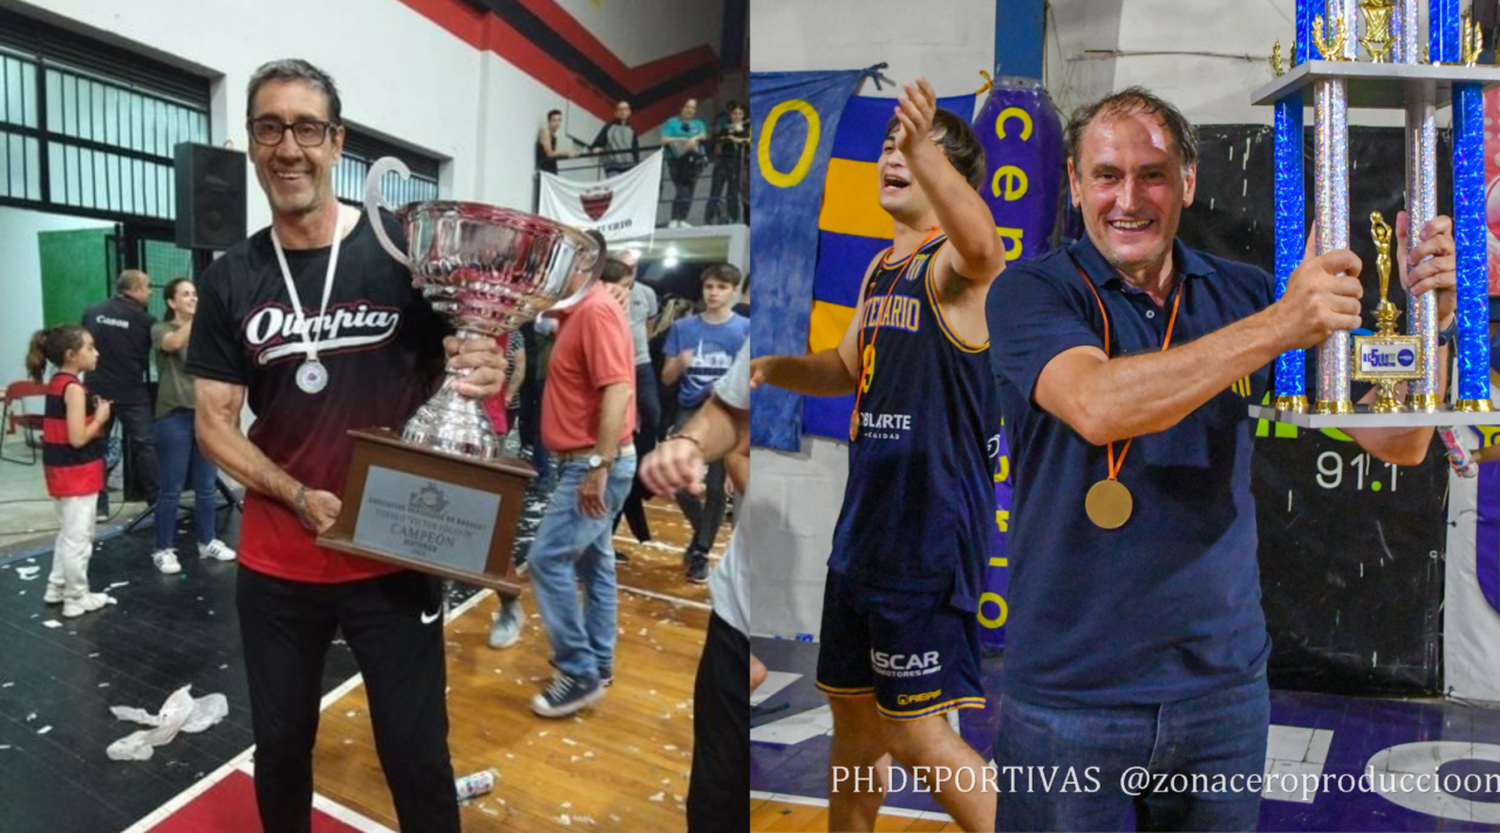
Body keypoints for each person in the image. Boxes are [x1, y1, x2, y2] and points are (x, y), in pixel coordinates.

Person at [985, 87, 1455, 832]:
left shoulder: (1241, 294)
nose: (1128, 198)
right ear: (1075, 186)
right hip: (1073, 698)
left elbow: (1398, 443)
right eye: (1106, 175)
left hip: (1220, 697)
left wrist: (1431, 319)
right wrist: (1278, 325)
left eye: (1153, 174)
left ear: (1190, 182)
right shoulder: (1031, 292)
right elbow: (1099, 404)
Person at [187, 58, 506, 833]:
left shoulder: (408, 250)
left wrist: (493, 362)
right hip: (278, 559)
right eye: (269, 127)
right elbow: (213, 422)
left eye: (304, 128)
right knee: (284, 745)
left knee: (417, 753)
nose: (286, 147)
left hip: (394, 552)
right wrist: (294, 493)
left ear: (336, 142)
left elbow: (478, 353)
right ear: (252, 143)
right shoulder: (233, 276)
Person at [750, 78, 1006, 832]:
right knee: (855, 727)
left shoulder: (956, 272)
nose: (891, 159)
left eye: (910, 151)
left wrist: (924, 145)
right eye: (888, 149)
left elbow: (984, 244)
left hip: (927, 535)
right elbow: (840, 365)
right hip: (863, 534)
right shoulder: (881, 270)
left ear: (944, 174)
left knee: (917, 733)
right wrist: (775, 368)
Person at [639, 340, 751, 833]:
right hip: (745, 606)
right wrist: (690, 443)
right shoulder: (783, 304)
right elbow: (733, 410)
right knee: (717, 790)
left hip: (856, 595)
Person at [524, 244, 637, 718]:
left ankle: (579, 669)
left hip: (591, 464)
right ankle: (599, 662)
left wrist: (598, 466)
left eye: (551, 261)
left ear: (581, 266)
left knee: (546, 559)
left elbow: (618, 388)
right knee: (596, 567)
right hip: (585, 461)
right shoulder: (574, 313)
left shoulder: (595, 311)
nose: (543, 273)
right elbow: (530, 307)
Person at [662, 263, 749, 583]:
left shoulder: (744, 330)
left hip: (726, 411)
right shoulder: (684, 328)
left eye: (721, 287)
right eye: (709, 286)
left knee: (716, 488)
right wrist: (680, 364)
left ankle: (700, 551)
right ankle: (704, 531)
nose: (713, 293)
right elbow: (667, 377)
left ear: (733, 292)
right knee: (680, 483)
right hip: (690, 410)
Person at [149, 278, 237, 575]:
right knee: (171, 489)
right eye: (186, 295)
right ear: (172, 302)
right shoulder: (162, 329)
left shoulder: (206, 333)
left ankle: (207, 541)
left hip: (205, 417)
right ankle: (163, 549)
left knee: (205, 486)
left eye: (195, 294)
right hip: (174, 416)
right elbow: (173, 344)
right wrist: (200, 317)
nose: (193, 298)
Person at [27, 325, 115, 618]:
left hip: (60, 471)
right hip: (76, 473)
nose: (96, 352)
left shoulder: (58, 381)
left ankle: (57, 586)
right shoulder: (74, 388)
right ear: (71, 355)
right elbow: (78, 437)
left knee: (68, 534)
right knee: (79, 538)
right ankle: (76, 598)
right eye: (90, 347)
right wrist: (100, 417)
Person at [82, 269, 159, 517]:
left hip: (96, 390)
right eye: (147, 287)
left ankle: (99, 507)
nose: (149, 292)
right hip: (131, 392)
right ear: (134, 289)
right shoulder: (146, 321)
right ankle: (156, 502)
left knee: (96, 446)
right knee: (145, 445)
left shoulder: (92, 312)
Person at [613, 249, 661, 549]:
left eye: (633, 266)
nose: (630, 271)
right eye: (625, 266)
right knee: (622, 419)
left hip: (640, 361)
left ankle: (639, 474)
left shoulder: (646, 294)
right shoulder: (605, 291)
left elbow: (649, 326)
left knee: (652, 417)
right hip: (616, 361)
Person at [662, 98, 708, 228]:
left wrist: (694, 138)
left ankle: (682, 219)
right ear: (682, 108)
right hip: (676, 160)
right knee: (682, 190)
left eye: (693, 108)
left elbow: (703, 135)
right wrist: (682, 138)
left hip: (693, 160)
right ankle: (674, 219)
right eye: (688, 107)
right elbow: (664, 140)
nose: (690, 110)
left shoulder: (698, 123)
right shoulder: (672, 122)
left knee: (690, 190)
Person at [705, 102, 750, 225]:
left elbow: (750, 141)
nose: (737, 116)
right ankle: (709, 219)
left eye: (740, 113)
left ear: (743, 115)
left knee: (733, 192)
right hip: (722, 163)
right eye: (734, 113)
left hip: (737, 163)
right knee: (715, 191)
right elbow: (716, 141)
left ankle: (733, 218)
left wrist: (737, 138)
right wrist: (727, 137)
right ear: (730, 115)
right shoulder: (724, 128)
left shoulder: (746, 127)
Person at [591, 99, 641, 178]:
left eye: (625, 109)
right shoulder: (609, 127)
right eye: (620, 109)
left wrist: (636, 165)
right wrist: (597, 149)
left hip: (629, 166)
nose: (623, 112)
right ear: (615, 113)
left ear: (629, 112)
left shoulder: (632, 130)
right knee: (615, 189)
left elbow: (635, 151)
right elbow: (597, 144)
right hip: (612, 166)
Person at [536, 108, 577, 176]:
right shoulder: (545, 132)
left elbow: (553, 154)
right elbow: (549, 154)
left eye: (559, 120)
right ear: (549, 121)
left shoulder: (554, 137)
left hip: (551, 170)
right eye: (554, 120)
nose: (557, 123)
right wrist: (567, 153)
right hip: (545, 172)